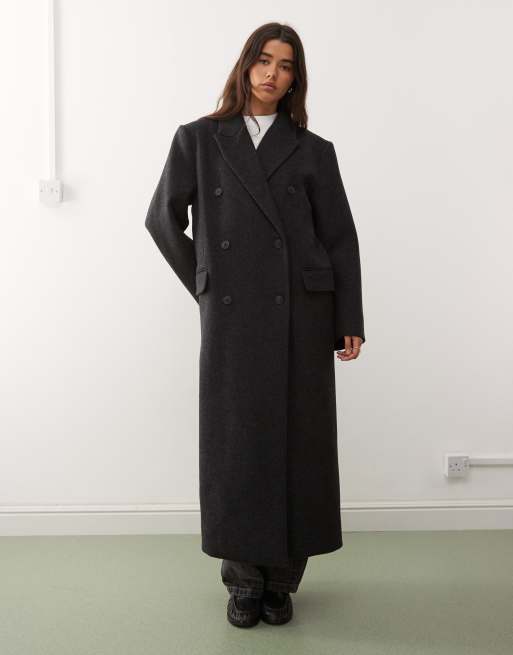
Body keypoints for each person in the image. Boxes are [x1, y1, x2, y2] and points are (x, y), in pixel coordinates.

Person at [145, 22, 365, 629]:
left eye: (286, 65)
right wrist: (206, 283)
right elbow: (162, 219)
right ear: (245, 66)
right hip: (234, 316)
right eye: (264, 60)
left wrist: (348, 316)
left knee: (299, 442)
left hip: (303, 314)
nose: (272, 73)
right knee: (237, 445)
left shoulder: (313, 149)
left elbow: (340, 239)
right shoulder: (198, 139)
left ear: (296, 79)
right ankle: (243, 580)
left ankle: (283, 581)